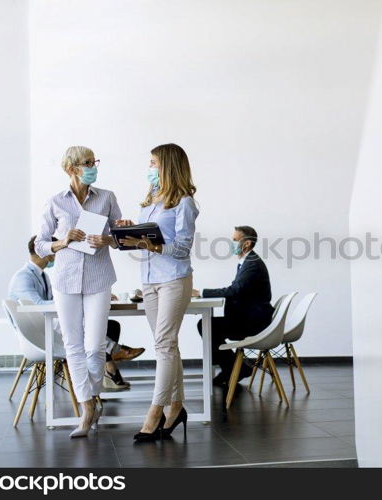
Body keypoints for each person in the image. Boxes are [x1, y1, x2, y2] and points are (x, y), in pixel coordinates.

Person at [35, 145, 122, 438]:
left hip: (99, 278)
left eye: (94, 161)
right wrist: (63, 241)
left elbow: (122, 239)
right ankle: (87, 407)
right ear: (73, 168)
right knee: (72, 345)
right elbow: (40, 245)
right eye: (88, 162)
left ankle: (93, 396)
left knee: (95, 346)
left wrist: (107, 239)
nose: (93, 166)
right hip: (66, 279)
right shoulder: (56, 202)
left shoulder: (107, 197)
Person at [117, 143, 198, 442]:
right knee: (167, 345)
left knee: (164, 345)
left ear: (168, 166)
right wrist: (131, 230)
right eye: (149, 163)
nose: (149, 168)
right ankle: (176, 407)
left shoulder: (184, 203)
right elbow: (146, 236)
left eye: (153, 163)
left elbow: (182, 249)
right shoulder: (150, 199)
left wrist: (153, 245)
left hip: (174, 279)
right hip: (149, 281)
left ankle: (155, 412)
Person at [8, 235, 145, 391]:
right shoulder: (23, 277)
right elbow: (38, 306)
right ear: (45, 252)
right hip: (40, 333)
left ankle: (108, 369)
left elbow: (54, 300)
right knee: (82, 325)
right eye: (57, 250)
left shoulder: (42, 275)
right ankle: (114, 354)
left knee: (109, 325)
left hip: (49, 325)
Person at [192, 226, 274, 386]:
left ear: (247, 244)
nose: (232, 243)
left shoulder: (252, 264)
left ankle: (233, 368)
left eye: (235, 240)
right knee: (208, 325)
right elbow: (237, 290)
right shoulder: (248, 262)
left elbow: (234, 290)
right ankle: (234, 367)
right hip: (248, 318)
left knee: (207, 325)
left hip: (253, 322)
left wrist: (201, 292)